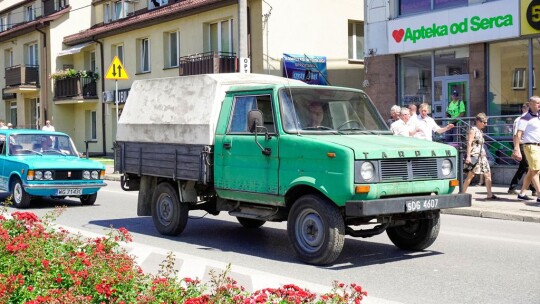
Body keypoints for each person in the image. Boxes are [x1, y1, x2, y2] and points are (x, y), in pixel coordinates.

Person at [462, 113, 498, 199]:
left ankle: (489, 194)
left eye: (486, 122)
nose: (486, 124)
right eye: (484, 122)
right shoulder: (473, 130)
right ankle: (462, 193)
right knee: (471, 175)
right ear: (478, 121)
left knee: (487, 174)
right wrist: (468, 156)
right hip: (474, 156)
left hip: (482, 156)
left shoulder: (480, 131)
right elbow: (469, 143)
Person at [511, 96, 540, 203]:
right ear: (531, 104)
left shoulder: (538, 116)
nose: (539, 105)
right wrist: (516, 149)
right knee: (535, 171)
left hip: (538, 146)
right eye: (537, 103)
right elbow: (518, 134)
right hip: (530, 146)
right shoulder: (525, 117)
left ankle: (522, 194)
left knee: (532, 170)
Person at [508, 103, 535, 195]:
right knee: (530, 167)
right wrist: (516, 148)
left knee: (523, 168)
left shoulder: (531, 118)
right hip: (522, 145)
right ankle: (534, 189)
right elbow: (516, 134)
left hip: (526, 145)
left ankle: (512, 187)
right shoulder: (520, 119)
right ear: (525, 108)